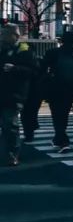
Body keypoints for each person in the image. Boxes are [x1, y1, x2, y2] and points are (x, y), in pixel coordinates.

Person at [41, 31, 73, 152]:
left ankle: (63, 140)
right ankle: (59, 138)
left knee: (57, 115)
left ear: (61, 40)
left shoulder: (52, 53)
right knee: (64, 113)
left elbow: (42, 69)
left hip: (56, 88)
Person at [0, 25, 33, 166]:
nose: (2, 36)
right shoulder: (3, 49)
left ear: (15, 35)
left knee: (10, 126)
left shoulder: (24, 50)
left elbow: (33, 71)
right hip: (3, 92)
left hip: (13, 94)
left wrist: (15, 68)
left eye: (4, 34)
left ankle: (12, 154)